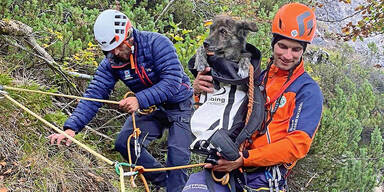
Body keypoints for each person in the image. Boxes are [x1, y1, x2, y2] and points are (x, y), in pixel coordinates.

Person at [48, 9, 193, 192]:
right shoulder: (111, 62)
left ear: (129, 35)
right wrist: (71, 128)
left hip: (179, 105)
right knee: (125, 142)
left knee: (177, 158)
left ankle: (175, 184)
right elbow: (94, 94)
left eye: (119, 46)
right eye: (109, 50)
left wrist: (139, 100)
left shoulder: (157, 43)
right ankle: (164, 182)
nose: (115, 52)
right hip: (152, 108)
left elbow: (172, 82)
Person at [183, 2, 323, 192]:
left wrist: (245, 158)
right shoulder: (257, 77)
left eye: (296, 49)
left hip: (263, 177)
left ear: (303, 50)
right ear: (274, 43)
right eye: (282, 46)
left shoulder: (307, 90)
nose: (287, 55)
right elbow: (223, 104)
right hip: (229, 165)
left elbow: (297, 144)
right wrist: (199, 90)